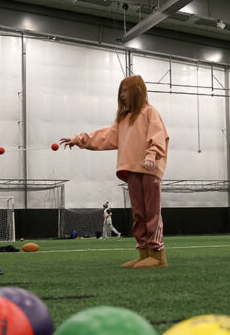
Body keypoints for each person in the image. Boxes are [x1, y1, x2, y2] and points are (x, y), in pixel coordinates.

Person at [60, 74, 169, 269]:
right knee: (139, 214)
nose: (122, 95)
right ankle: (144, 253)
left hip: (149, 170)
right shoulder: (124, 120)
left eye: (126, 91)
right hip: (132, 170)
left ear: (137, 91)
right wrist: (80, 140)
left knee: (151, 213)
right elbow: (104, 136)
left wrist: (152, 153)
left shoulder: (149, 112)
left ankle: (157, 255)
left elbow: (158, 135)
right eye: (121, 92)